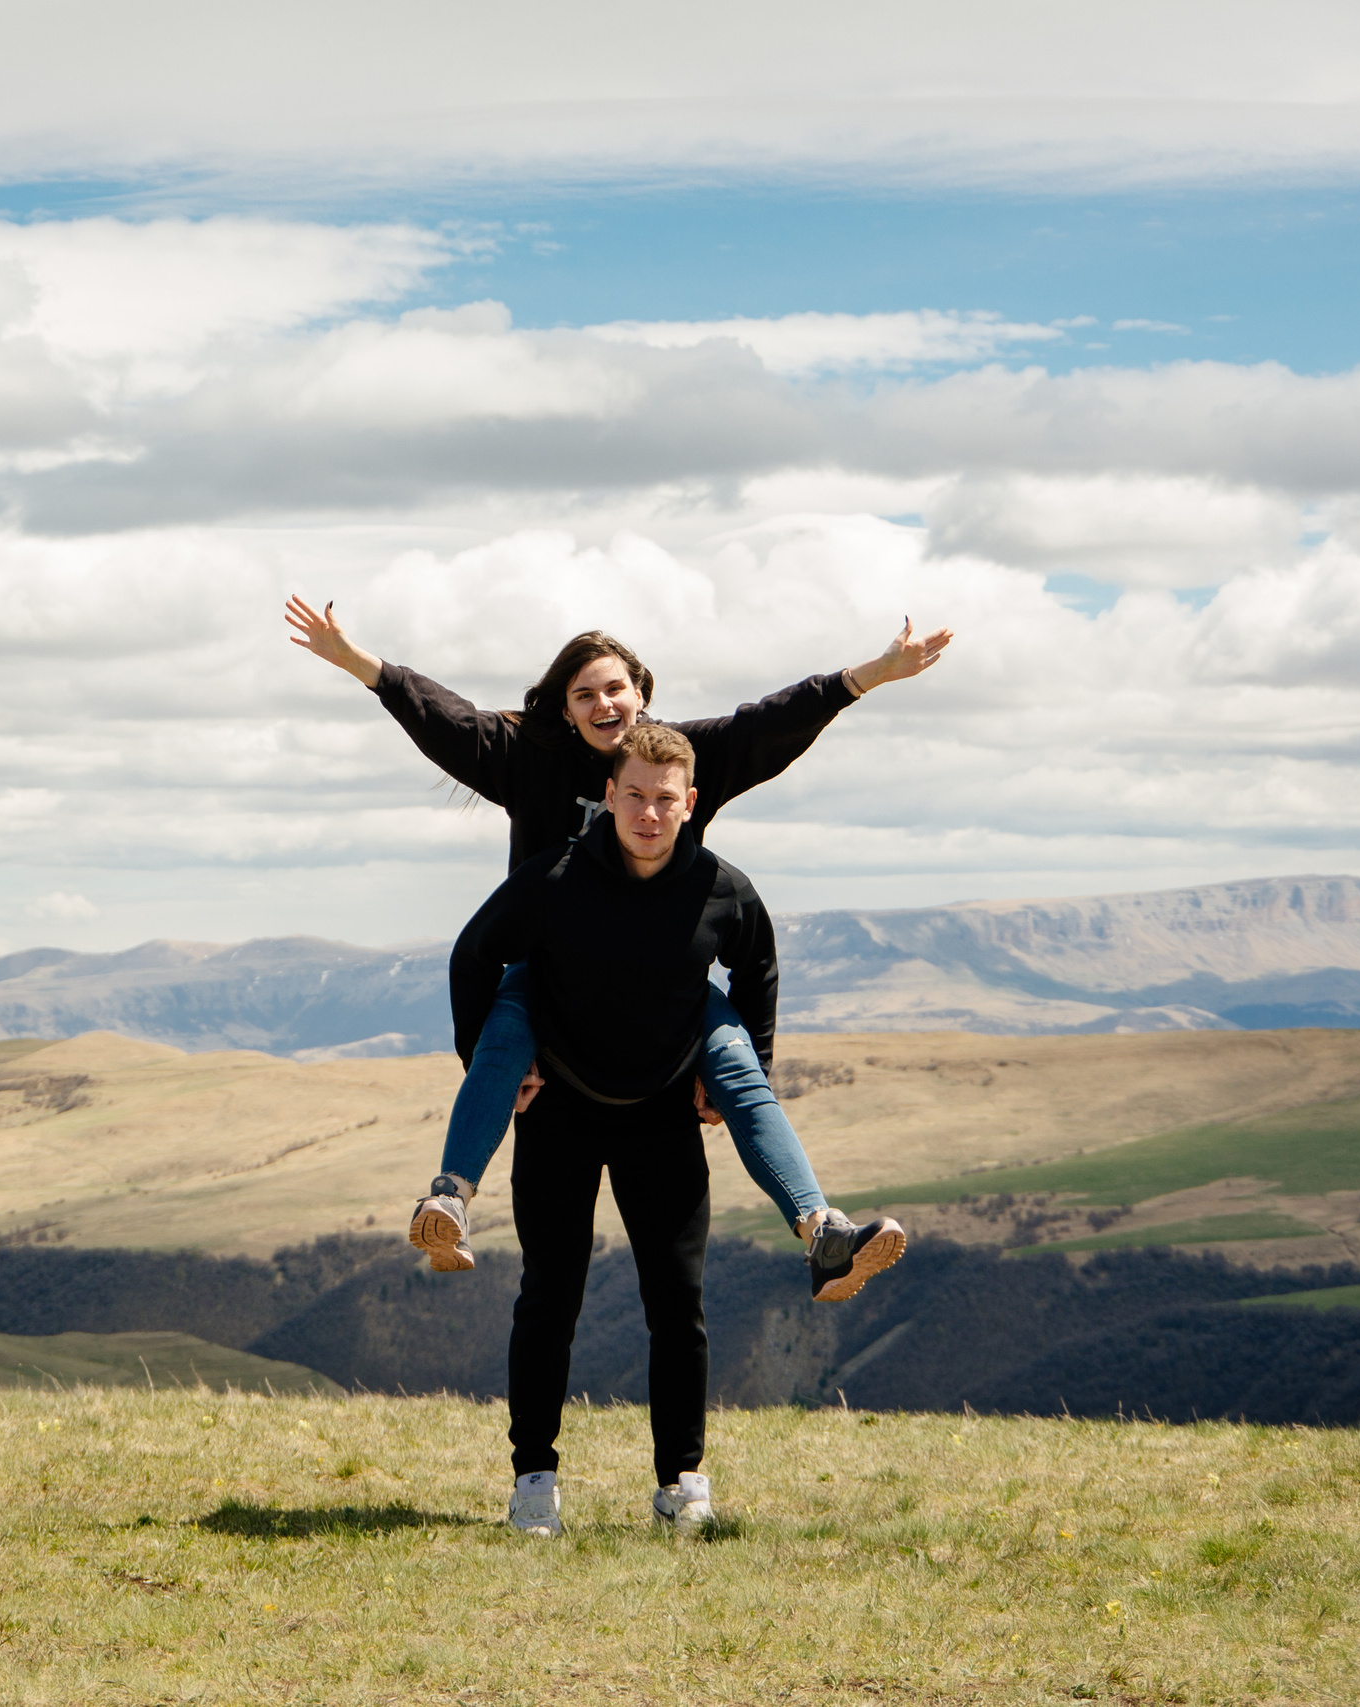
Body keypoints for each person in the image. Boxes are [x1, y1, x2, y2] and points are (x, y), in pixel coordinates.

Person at [284, 597, 946, 1299]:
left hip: (665, 978)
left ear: (641, 693)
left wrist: (870, 674)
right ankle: (448, 1201)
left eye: (614, 688)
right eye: (584, 694)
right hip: (552, 976)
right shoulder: (529, 760)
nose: (603, 703)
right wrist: (358, 663)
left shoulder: (677, 759)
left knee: (741, 1069)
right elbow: (449, 720)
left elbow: (767, 724)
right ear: (566, 710)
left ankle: (823, 1232)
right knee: (501, 1039)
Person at [451, 722, 892, 1535]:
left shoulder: (721, 887)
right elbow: (475, 953)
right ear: (608, 796)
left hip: (661, 1119)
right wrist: (494, 1059)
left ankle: (681, 1483)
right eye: (634, 796)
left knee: (677, 1305)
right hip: (562, 1113)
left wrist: (739, 1070)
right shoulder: (555, 877)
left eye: (664, 799)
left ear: (690, 802)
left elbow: (758, 965)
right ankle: (534, 1480)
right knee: (549, 1299)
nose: (648, 813)